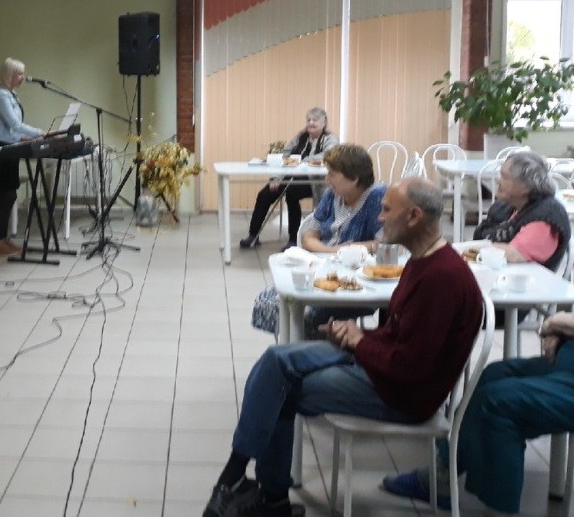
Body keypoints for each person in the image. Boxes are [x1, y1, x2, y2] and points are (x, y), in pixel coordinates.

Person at [204, 178, 483, 517]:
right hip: (381, 368)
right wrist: (358, 335)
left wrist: (360, 342)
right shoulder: (422, 260)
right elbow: (399, 336)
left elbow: (409, 368)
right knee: (275, 360)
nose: (379, 218)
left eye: (386, 210)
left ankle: (258, 492)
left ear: (414, 216)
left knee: (278, 389)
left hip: (401, 395)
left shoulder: (442, 278)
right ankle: (246, 485)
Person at [382, 274, 574, 516]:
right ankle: (443, 473)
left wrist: (561, 321)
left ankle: (498, 509)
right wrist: (561, 329)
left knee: (498, 403)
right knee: (494, 375)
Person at [251, 144, 386, 336]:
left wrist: (336, 251)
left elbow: (383, 244)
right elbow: (309, 235)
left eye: (332, 174)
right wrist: (335, 252)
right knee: (267, 301)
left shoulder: (377, 197)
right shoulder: (333, 194)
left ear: (354, 178)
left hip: (355, 284)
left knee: (303, 311)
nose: (326, 179)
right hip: (324, 271)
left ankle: (311, 347)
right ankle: (295, 345)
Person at [240, 108, 338, 251]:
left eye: (315, 120)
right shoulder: (300, 137)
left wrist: (301, 160)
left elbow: (327, 155)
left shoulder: (330, 138)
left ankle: (293, 239)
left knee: (292, 193)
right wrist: (276, 178)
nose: (311, 123)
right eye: (308, 120)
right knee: (264, 194)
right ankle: (253, 235)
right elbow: (284, 155)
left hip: (315, 182)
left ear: (324, 122)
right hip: (290, 176)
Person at [474, 150, 571, 272]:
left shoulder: (546, 215)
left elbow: (515, 254)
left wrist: (470, 248)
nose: (498, 181)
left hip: (530, 281)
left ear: (526, 186)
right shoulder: (506, 206)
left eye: (504, 177)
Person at [0, 58, 44, 256]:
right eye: (19, 74)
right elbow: (14, 124)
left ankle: (4, 239)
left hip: (10, 146)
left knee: (10, 193)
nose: (22, 77)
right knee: (6, 194)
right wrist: (41, 133)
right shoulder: (0, 96)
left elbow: (12, 130)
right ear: (9, 75)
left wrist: (24, 138)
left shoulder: (12, 95)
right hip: (0, 148)